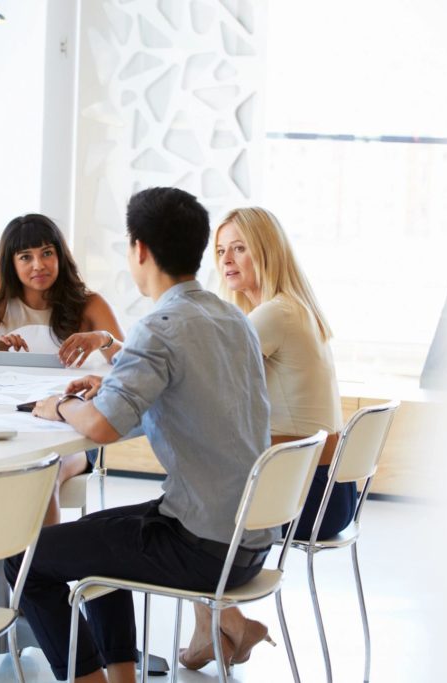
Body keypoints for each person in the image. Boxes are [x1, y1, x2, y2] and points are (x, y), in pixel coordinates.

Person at [5, 187, 273, 683]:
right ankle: (121, 677)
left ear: (140, 249)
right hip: (249, 540)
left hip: (202, 545)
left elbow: (102, 427)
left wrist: (59, 405)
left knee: (25, 564)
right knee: (100, 540)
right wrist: (110, 380)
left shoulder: (161, 325)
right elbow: (189, 383)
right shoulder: (232, 317)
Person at [178, 206, 357, 670]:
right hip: (332, 494)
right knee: (204, 484)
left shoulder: (275, 314)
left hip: (310, 500)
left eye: (239, 247)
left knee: (189, 503)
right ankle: (220, 625)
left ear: (267, 251)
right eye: (220, 250)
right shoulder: (291, 308)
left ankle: (225, 624)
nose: (227, 259)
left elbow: (198, 372)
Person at [0, 213, 125, 523]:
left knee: (43, 475)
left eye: (47, 253)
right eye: (26, 256)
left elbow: (129, 364)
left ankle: (39, 567)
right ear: (11, 263)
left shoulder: (89, 304)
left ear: (60, 256)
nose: (38, 265)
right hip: (12, 421)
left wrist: (103, 339)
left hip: (72, 427)